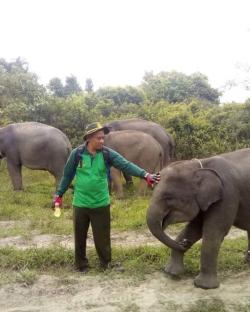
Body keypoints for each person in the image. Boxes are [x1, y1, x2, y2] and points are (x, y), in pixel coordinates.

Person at [53, 122, 160, 273]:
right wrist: (59, 194)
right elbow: (67, 176)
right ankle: (81, 264)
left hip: (101, 202)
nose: (102, 141)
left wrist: (145, 174)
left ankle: (106, 263)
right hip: (80, 203)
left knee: (102, 237)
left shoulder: (107, 154)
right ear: (89, 138)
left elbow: (126, 165)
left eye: (103, 138)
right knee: (80, 236)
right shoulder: (76, 154)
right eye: (99, 138)